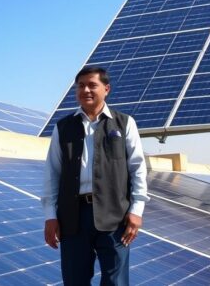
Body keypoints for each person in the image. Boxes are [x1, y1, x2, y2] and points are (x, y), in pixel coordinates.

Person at [42, 66, 149, 285]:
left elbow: (137, 168)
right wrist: (50, 215)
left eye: (92, 85)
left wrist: (137, 210)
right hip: (72, 217)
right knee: (74, 280)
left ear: (106, 89)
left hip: (115, 215)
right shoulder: (63, 127)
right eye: (81, 86)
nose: (86, 90)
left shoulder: (124, 123)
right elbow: (52, 172)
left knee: (115, 281)